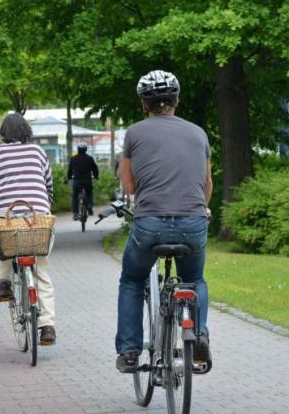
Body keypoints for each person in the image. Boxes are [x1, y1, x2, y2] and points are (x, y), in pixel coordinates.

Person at [115, 70, 213, 373]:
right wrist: (201, 209)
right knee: (194, 280)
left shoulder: (134, 133)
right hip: (193, 222)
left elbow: (129, 187)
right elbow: (207, 183)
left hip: (150, 224)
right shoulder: (198, 133)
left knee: (132, 279)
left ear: (144, 104)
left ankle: (130, 351)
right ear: (176, 101)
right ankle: (198, 336)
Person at [0, 113, 57, 345]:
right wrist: (44, 205)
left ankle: (4, 283)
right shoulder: (39, 152)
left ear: (3, 133)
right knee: (42, 270)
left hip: (5, 213)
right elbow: (48, 184)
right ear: (27, 131)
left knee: (2, 242)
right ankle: (48, 327)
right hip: (37, 214)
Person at [67, 142, 99, 220]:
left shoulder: (73, 159)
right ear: (86, 150)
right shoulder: (90, 158)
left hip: (77, 181)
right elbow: (95, 169)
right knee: (89, 193)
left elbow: (69, 170)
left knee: (75, 196)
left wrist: (68, 178)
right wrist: (96, 176)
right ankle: (90, 206)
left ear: (78, 150)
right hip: (87, 180)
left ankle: (75, 213)